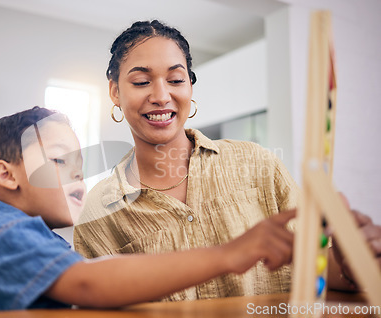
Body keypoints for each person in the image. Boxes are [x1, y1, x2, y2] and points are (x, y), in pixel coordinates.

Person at [74, 20, 381, 301]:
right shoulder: (99, 211)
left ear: (190, 86)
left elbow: (317, 269)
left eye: (176, 79)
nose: (161, 95)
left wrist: (352, 263)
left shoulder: (258, 164)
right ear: (115, 92)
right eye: (141, 82)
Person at [0, 106, 296, 315]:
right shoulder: (1, 230)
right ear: (8, 175)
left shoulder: (33, 237)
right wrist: (226, 254)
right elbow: (88, 284)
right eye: (59, 163)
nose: (78, 181)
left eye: (80, 170)